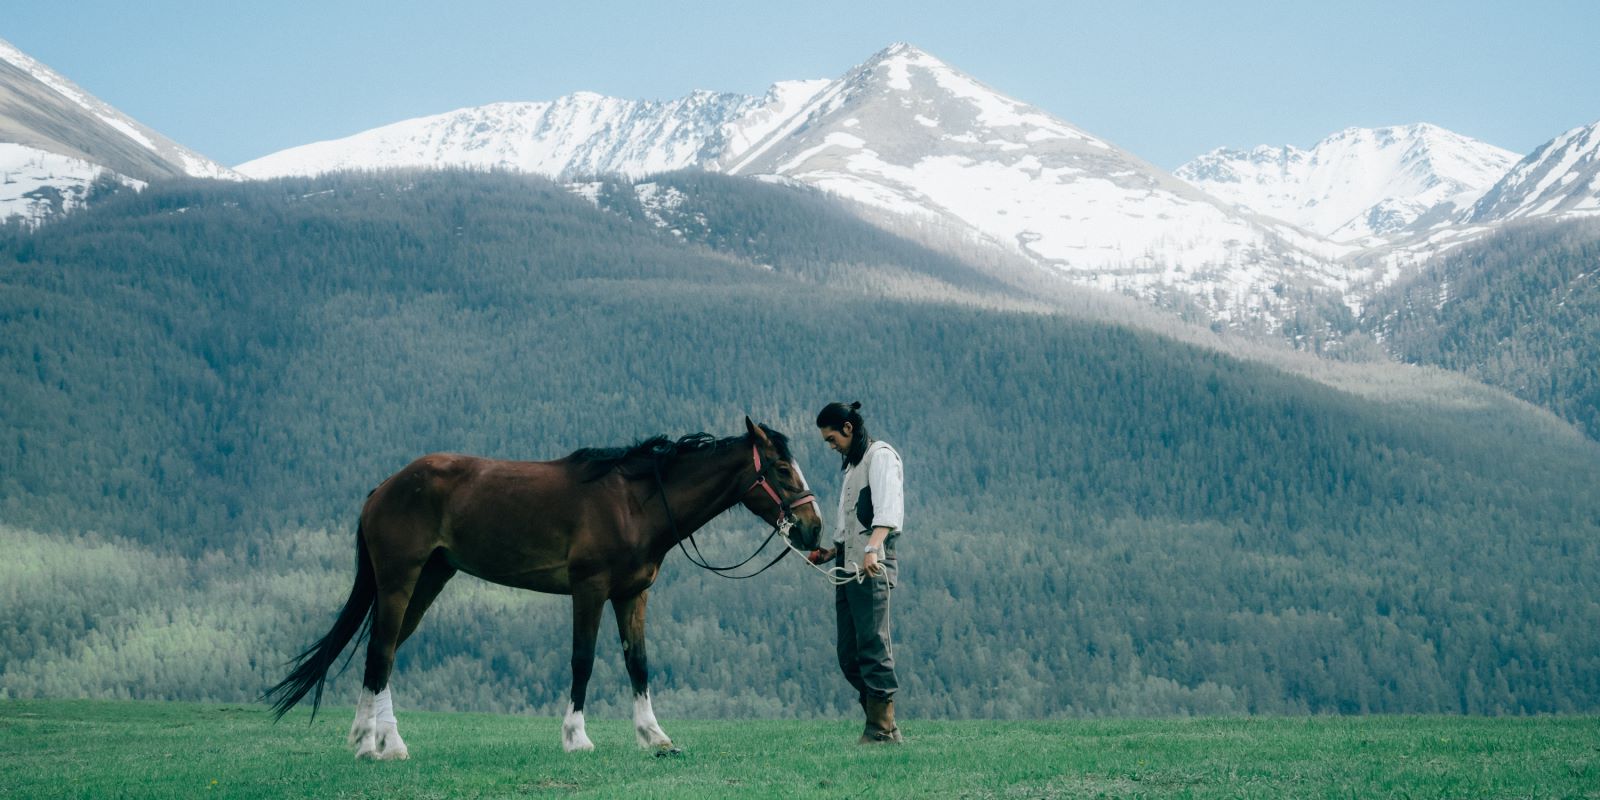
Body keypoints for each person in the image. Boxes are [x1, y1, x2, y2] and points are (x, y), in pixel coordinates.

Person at [814, 401, 904, 744]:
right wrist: (831, 551)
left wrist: (871, 550)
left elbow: (888, 510)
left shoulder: (880, 457)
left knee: (872, 645)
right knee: (848, 654)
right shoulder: (853, 468)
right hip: (848, 564)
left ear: (848, 429)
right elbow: (849, 524)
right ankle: (884, 725)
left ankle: (880, 728)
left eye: (832, 438)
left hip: (872, 563)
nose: (831, 445)